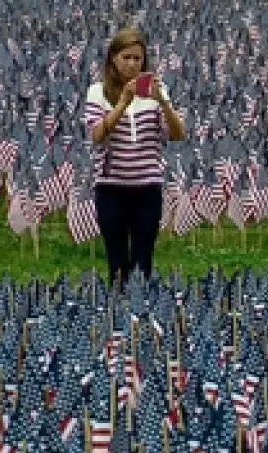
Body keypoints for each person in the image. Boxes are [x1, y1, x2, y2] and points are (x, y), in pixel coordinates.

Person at [84, 26, 186, 288]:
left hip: (147, 188)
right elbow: (96, 135)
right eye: (126, 57)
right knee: (117, 264)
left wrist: (162, 101)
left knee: (143, 263)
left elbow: (177, 134)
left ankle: (140, 315)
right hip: (111, 188)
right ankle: (117, 319)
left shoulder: (155, 93)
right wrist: (122, 104)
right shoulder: (97, 92)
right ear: (113, 59)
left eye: (137, 59)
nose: (131, 64)